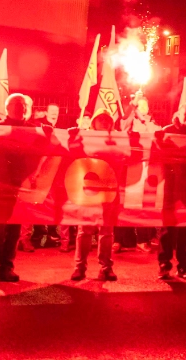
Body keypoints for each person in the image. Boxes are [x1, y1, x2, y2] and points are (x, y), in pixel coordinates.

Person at [0, 93, 38, 283]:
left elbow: (42, 152)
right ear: (6, 107)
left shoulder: (34, 130)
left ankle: (7, 268)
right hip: (0, 184)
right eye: (15, 104)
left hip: (21, 184)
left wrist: (47, 135)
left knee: (13, 229)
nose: (19, 107)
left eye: (22, 104)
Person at [71, 112, 120, 282]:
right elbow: (73, 155)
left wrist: (134, 140)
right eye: (101, 119)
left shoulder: (117, 140)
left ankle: (106, 268)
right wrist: (73, 140)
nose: (105, 122)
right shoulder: (84, 139)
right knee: (85, 230)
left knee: (106, 231)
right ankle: (79, 267)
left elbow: (128, 158)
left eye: (108, 119)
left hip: (109, 190)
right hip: (90, 190)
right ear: (93, 123)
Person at [157, 105, 186, 280]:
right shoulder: (167, 131)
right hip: (171, 185)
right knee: (168, 227)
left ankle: (184, 265)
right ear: (178, 114)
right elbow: (158, 153)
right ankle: (164, 264)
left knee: (185, 228)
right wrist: (158, 139)